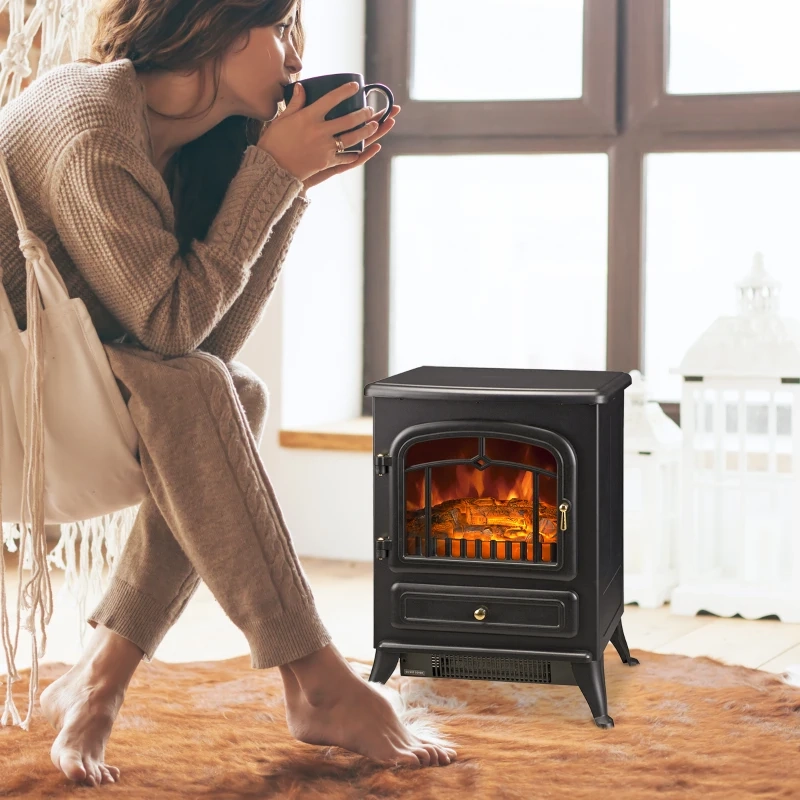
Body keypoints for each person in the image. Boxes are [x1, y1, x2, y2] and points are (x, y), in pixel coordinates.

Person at [0, 0, 456, 786]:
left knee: (231, 394)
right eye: (279, 28)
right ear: (207, 22)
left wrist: (291, 187)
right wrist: (275, 176)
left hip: (56, 385)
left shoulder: (197, 150)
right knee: (210, 393)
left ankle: (100, 679)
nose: (295, 54)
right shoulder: (90, 123)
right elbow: (172, 331)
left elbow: (205, 345)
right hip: (13, 393)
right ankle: (316, 679)